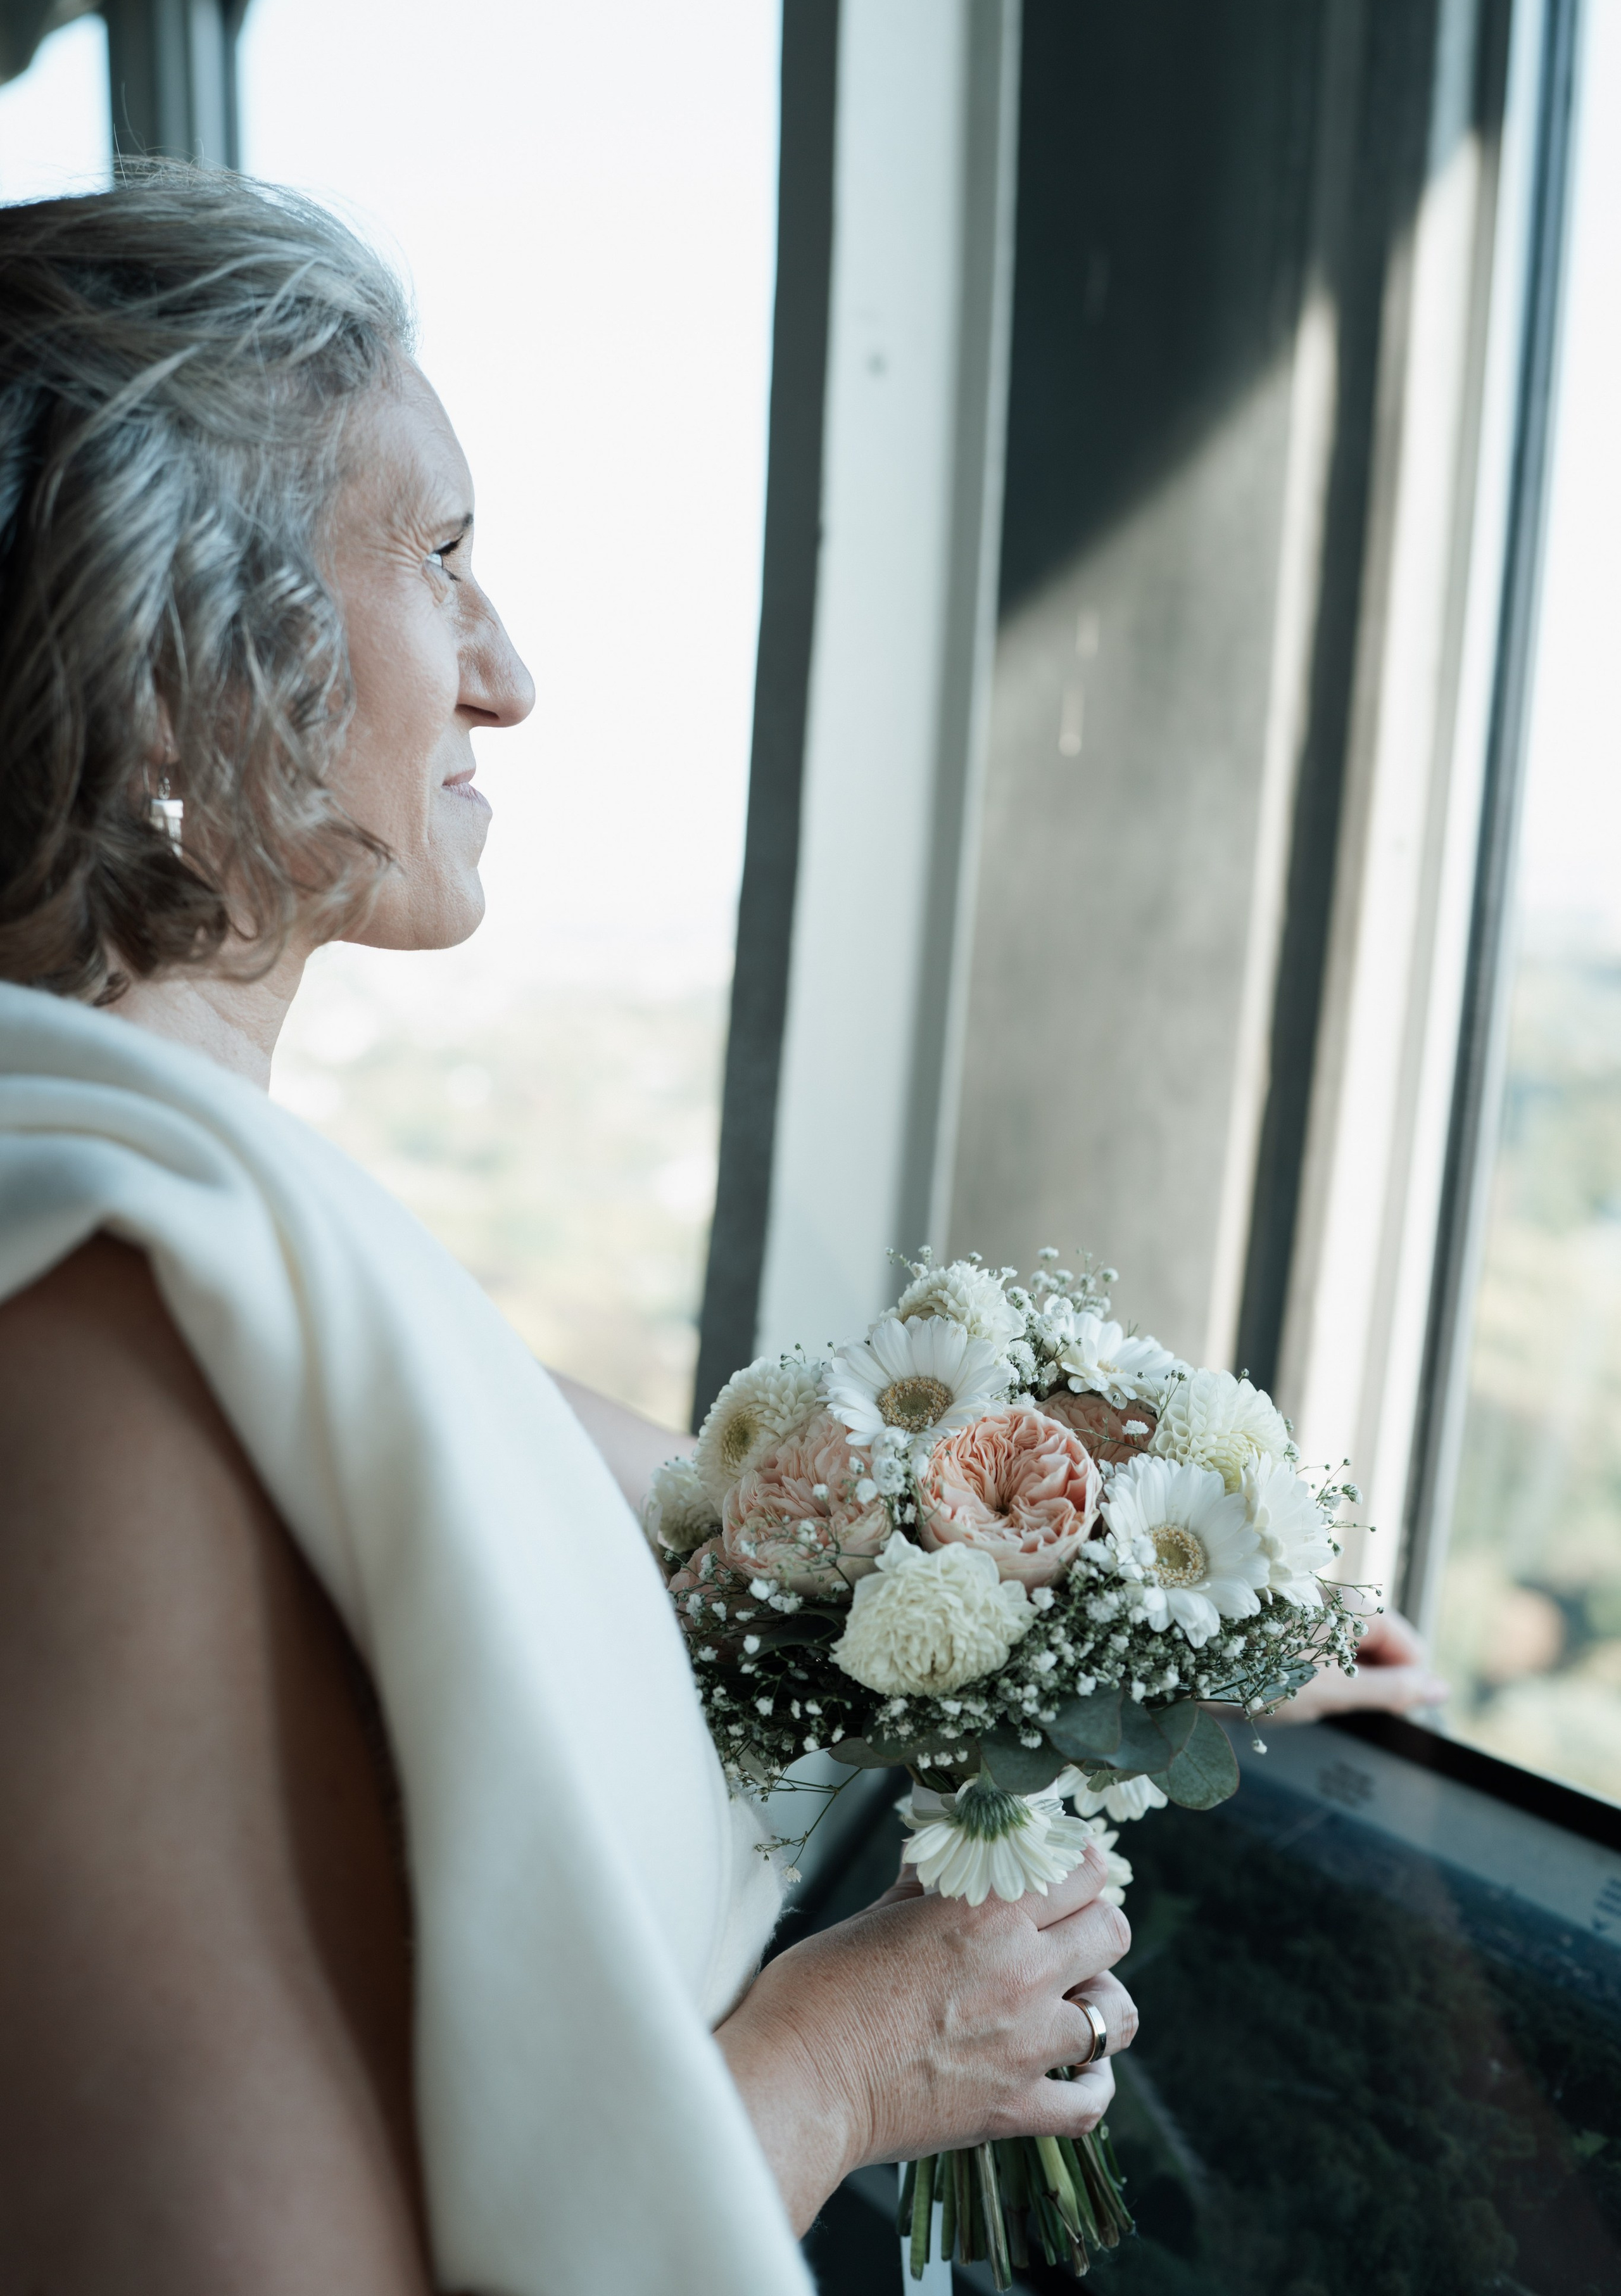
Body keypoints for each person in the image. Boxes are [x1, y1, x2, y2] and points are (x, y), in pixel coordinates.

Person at [0, 169, 1445, 2296]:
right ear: (169, 668)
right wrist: (841, 2067)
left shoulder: (189, 1238)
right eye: (441, 556)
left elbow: (677, 1515)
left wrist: (1174, 1585)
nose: (508, 674)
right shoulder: (98, 1323)